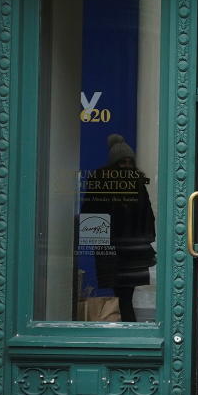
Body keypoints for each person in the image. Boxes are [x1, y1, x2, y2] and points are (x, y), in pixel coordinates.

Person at [81, 134, 156, 322]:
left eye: (130, 161)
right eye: (123, 162)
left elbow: (147, 214)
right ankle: (127, 327)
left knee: (124, 294)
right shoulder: (129, 181)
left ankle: (125, 327)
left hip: (129, 248)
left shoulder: (135, 182)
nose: (127, 165)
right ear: (115, 163)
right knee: (122, 294)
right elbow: (92, 212)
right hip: (118, 247)